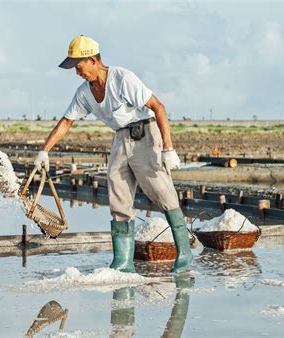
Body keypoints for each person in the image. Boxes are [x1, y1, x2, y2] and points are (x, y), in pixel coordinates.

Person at [34, 35, 193, 273]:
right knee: (117, 192)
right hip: (120, 138)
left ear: (92, 60)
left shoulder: (122, 79)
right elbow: (67, 121)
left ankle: (184, 254)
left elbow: (158, 107)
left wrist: (168, 148)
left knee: (161, 191)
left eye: (78, 67)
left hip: (145, 134)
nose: (77, 72)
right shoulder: (84, 93)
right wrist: (44, 151)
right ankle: (123, 261)